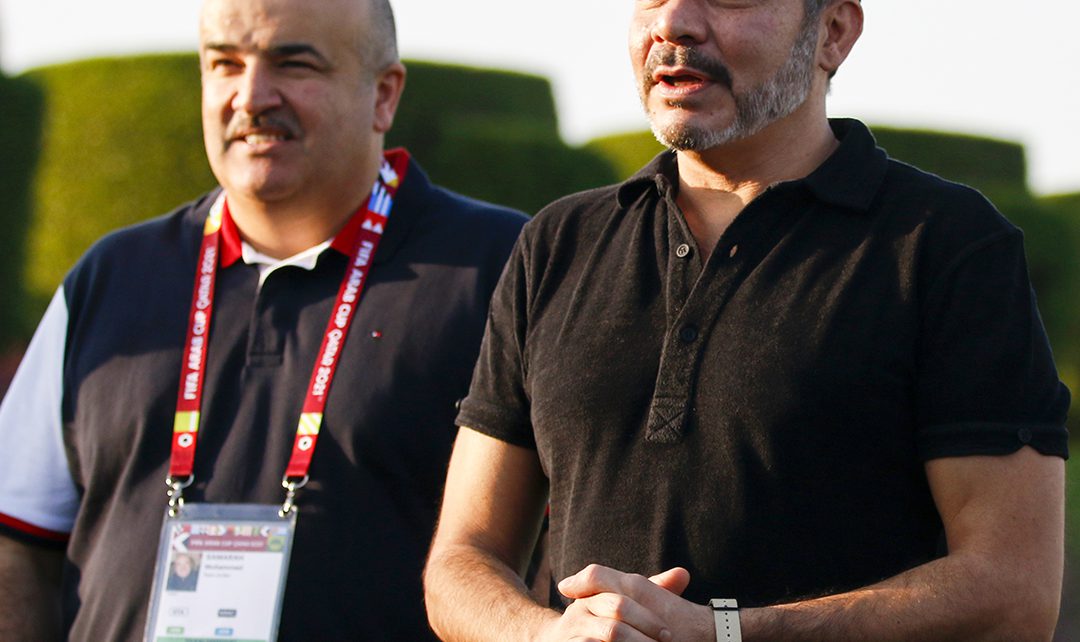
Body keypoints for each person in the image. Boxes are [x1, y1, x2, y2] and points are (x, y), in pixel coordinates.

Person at [424, 0, 1070, 640]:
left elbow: (1014, 593)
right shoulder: (558, 242)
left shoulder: (947, 244)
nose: (673, 22)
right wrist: (542, 636)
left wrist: (725, 633)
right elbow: (461, 560)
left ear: (833, 32)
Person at [0, 0, 525, 639]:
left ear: (384, 95)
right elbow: (17, 545)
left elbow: (564, 546)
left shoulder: (507, 270)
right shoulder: (109, 277)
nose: (250, 97)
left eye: (293, 63)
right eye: (224, 63)